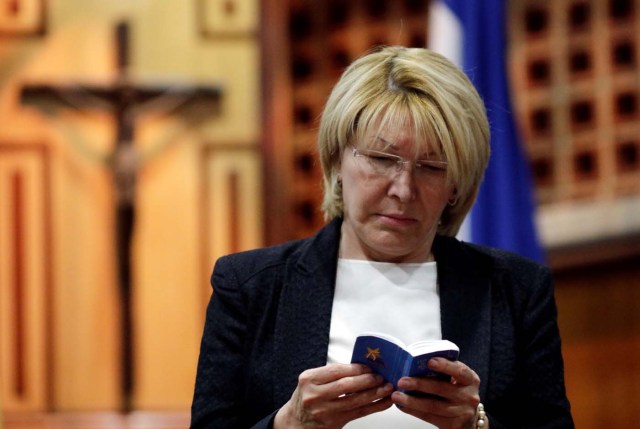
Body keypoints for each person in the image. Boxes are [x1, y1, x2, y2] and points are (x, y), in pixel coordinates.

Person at [190, 46, 574, 429]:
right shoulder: (250, 287)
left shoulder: (516, 290)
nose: (403, 190)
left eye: (431, 167)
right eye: (382, 159)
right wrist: (288, 424)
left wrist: (476, 425)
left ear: (456, 185)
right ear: (338, 159)